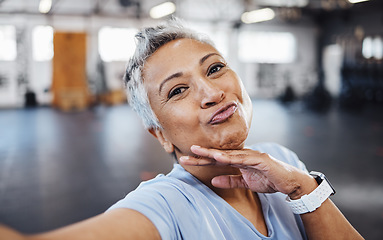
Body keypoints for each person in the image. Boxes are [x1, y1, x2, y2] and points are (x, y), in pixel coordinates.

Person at [0, 19, 363, 240]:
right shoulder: (166, 205)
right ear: (159, 134)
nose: (212, 93)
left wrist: (302, 187)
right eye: (177, 90)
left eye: (215, 68)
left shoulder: (282, 161)